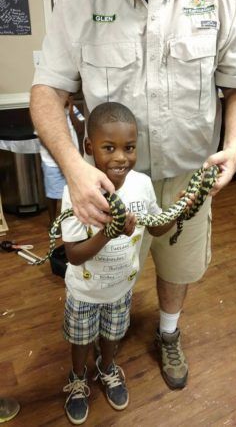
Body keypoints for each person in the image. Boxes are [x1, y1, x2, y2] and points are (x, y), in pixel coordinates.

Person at [30, 0, 236, 392]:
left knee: (179, 264)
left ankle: (168, 332)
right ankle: (91, 353)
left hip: (187, 174)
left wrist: (235, 147)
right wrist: (74, 169)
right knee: (103, 269)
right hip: (107, 185)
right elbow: (46, 92)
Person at [61, 101, 192, 425]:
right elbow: (73, 255)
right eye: (109, 147)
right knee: (80, 341)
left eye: (129, 148)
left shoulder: (141, 184)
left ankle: (107, 368)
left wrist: (177, 211)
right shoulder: (78, 191)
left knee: (112, 336)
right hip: (85, 291)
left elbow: (156, 225)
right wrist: (109, 232)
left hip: (121, 288)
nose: (121, 157)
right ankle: (79, 378)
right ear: (90, 147)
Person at [39, 97, 85, 232]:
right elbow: (42, 137)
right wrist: (59, 159)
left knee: (74, 190)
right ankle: (53, 221)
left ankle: (75, 218)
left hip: (72, 160)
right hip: (52, 161)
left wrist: (70, 110)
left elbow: (80, 129)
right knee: (53, 193)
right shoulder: (45, 110)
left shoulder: (72, 109)